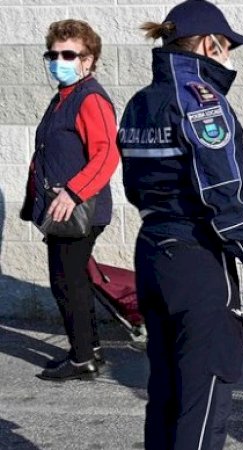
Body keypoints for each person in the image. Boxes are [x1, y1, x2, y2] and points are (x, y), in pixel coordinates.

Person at [118, 1, 243, 448]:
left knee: (165, 394)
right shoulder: (202, 101)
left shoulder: (140, 102)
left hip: (152, 252)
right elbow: (224, 196)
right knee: (203, 400)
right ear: (210, 44)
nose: (229, 56)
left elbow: (135, 186)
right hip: (197, 261)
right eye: (228, 46)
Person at [20, 19, 120, 381]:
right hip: (60, 206)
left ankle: (82, 360)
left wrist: (73, 192)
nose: (58, 60)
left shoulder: (89, 97)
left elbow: (107, 154)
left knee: (66, 281)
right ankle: (88, 352)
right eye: (53, 53)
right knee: (72, 280)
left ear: (88, 59)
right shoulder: (62, 97)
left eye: (68, 54)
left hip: (79, 208)